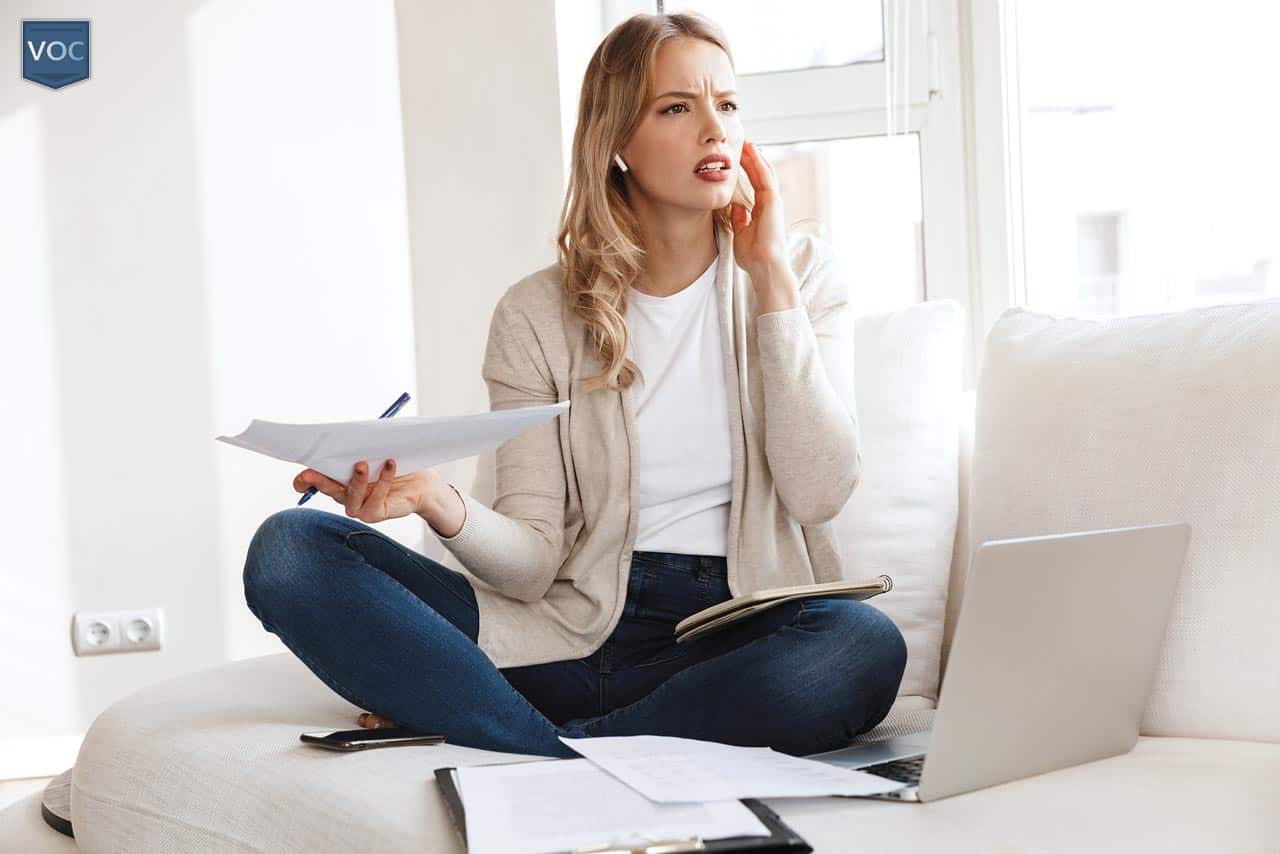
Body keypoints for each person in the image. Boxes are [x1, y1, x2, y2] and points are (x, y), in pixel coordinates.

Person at [242, 11, 907, 760]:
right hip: (561, 641)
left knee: (862, 647)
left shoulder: (802, 275)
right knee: (289, 550)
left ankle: (533, 743)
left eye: (727, 104)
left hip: (728, 643)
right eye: (677, 108)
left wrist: (771, 278)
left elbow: (821, 490)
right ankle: (572, 742)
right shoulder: (535, 313)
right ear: (617, 141)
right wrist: (437, 500)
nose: (714, 130)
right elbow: (529, 567)